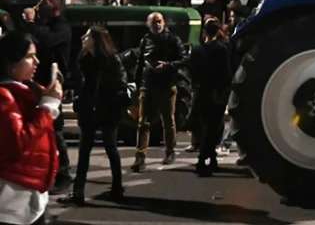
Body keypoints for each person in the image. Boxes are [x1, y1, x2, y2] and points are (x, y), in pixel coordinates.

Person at [58, 26, 129, 206]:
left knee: (111, 149)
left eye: (88, 36)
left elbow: (120, 84)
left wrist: (112, 104)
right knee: (83, 153)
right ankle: (78, 192)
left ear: (97, 40)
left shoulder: (112, 61)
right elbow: (81, 84)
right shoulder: (84, 58)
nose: (83, 38)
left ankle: (116, 188)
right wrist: (78, 100)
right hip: (88, 111)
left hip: (107, 111)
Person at [0, 30, 62, 225]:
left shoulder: (22, 93)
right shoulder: (5, 96)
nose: (36, 62)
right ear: (11, 63)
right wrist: (48, 106)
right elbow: (19, 142)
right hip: (13, 203)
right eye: (29, 56)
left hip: (28, 199)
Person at [131, 12, 186, 172]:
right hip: (147, 86)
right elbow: (140, 62)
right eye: (154, 22)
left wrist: (168, 65)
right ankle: (140, 157)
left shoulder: (173, 39)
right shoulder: (145, 40)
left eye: (159, 21)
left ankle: (170, 151)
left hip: (166, 85)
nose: (157, 25)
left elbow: (184, 59)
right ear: (148, 24)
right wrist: (138, 83)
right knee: (143, 123)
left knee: (168, 121)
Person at [30, 0, 72, 194]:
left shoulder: (61, 27)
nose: (37, 6)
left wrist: (30, 22)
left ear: (51, 4)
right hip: (40, 82)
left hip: (51, 84)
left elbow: (46, 41)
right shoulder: (48, 26)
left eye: (41, 3)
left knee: (55, 129)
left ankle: (63, 173)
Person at [189, 18, 232, 176]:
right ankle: (207, 159)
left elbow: (192, 71)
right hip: (217, 92)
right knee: (214, 126)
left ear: (204, 32)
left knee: (204, 126)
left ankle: (207, 159)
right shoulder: (222, 49)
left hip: (201, 92)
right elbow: (226, 72)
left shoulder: (197, 49)